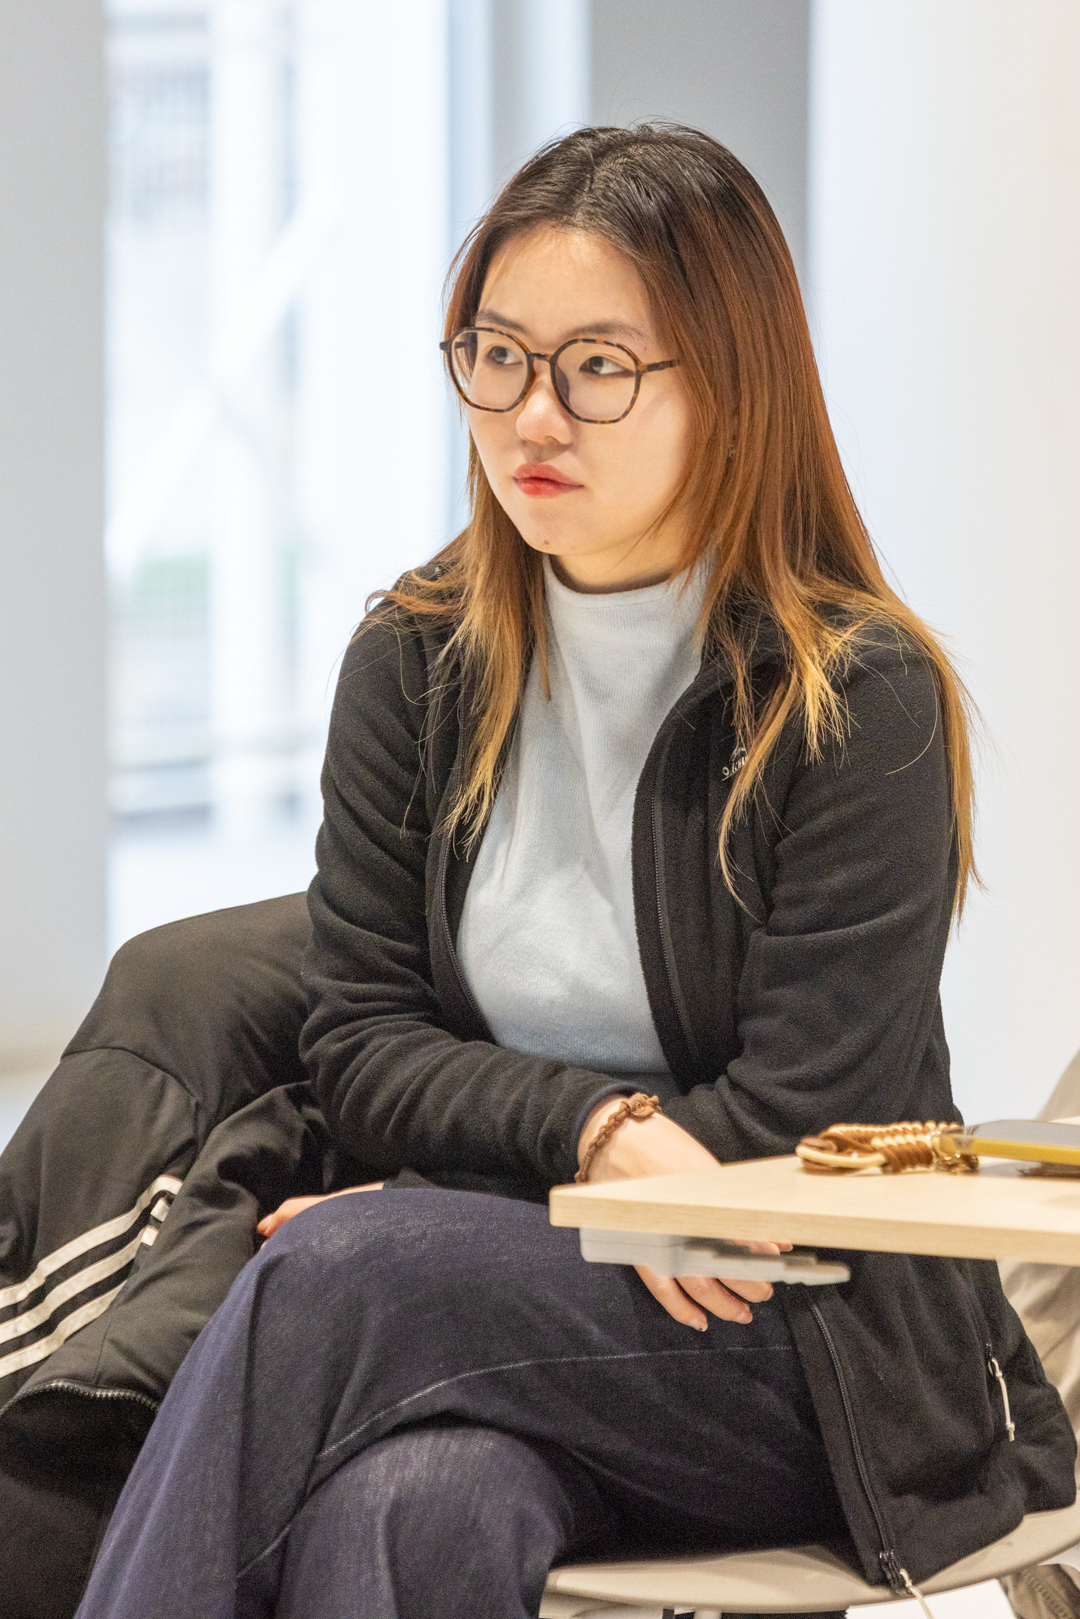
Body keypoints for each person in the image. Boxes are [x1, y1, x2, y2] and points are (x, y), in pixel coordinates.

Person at [72, 123, 1074, 1619]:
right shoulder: (415, 661)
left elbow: (801, 1124)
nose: (533, 414)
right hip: (514, 1326)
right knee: (417, 1505)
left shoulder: (857, 698)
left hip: (800, 1333)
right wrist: (593, 1136)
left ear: (729, 384)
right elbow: (362, 1042)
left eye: (598, 367)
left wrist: (452, 1214)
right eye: (497, 356)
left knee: (341, 1272)